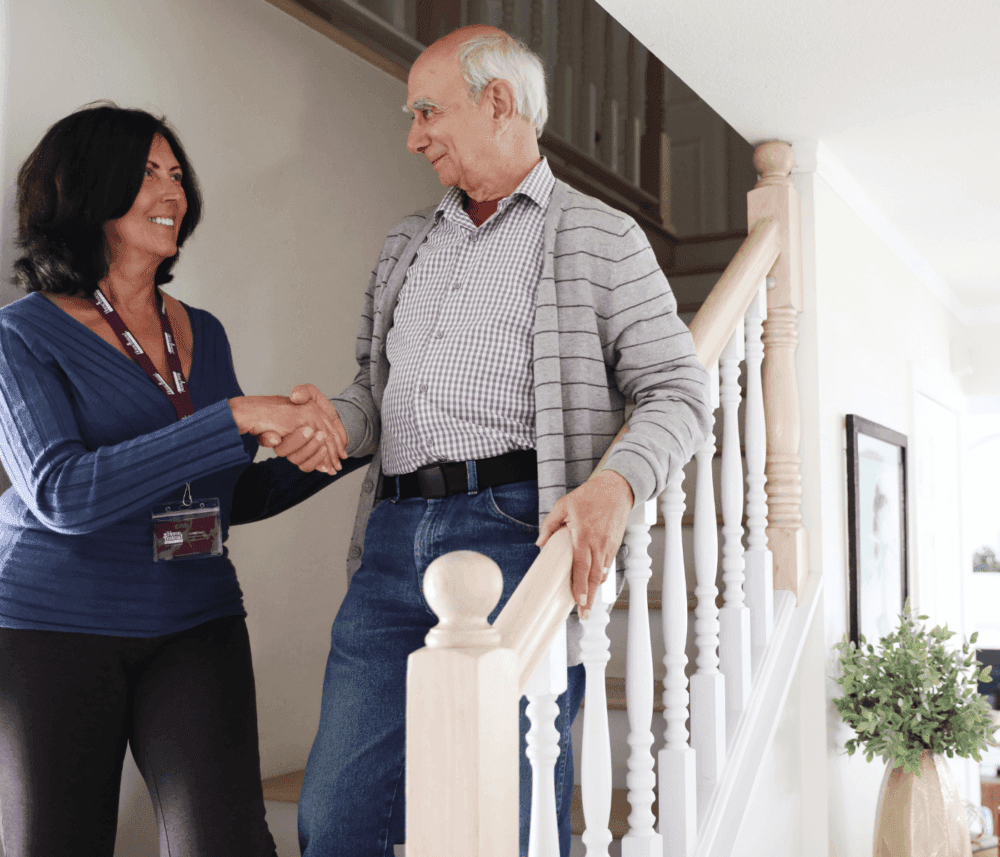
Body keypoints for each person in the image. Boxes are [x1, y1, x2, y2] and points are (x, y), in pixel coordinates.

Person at [287, 25, 711, 857]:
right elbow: (376, 396)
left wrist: (615, 485)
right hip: (392, 543)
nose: (413, 135)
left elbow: (680, 390)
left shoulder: (602, 237)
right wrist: (332, 421)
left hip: (517, 532)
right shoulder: (408, 243)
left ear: (498, 101)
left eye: (426, 111)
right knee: (337, 814)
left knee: (506, 815)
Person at [0, 104, 364, 857]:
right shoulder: (21, 335)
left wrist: (342, 440)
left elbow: (226, 495)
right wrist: (231, 414)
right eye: (147, 174)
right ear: (85, 189)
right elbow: (63, 492)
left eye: (177, 175)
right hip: (51, 628)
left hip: (195, 618)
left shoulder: (204, 329)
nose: (174, 192)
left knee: (227, 842)